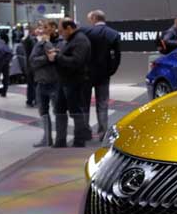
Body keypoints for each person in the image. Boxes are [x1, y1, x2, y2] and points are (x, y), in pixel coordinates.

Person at [48, 18, 92, 147]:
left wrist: (57, 56)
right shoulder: (72, 39)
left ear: (69, 28)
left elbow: (76, 62)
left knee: (76, 112)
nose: (60, 34)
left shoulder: (80, 40)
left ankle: (79, 141)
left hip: (75, 82)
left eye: (61, 31)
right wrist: (58, 54)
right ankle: (60, 141)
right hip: (64, 81)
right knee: (60, 111)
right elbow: (69, 56)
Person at [82, 9, 121, 140]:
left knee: (84, 104)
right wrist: (111, 70)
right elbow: (117, 56)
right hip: (104, 74)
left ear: (94, 18)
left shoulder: (85, 32)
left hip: (86, 74)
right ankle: (103, 133)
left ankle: (85, 132)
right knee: (103, 104)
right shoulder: (113, 34)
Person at [29, 20, 59, 147]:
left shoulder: (49, 43)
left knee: (57, 111)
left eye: (45, 27)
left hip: (52, 82)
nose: (42, 30)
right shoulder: (40, 43)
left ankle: (58, 138)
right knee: (43, 111)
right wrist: (46, 58)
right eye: (40, 27)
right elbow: (33, 60)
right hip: (41, 82)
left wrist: (45, 58)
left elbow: (53, 58)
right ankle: (47, 138)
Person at [22, 23, 38, 107]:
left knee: (30, 84)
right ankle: (36, 100)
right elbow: (35, 51)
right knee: (35, 84)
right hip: (33, 64)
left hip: (28, 64)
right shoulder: (32, 40)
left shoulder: (25, 39)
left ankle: (29, 100)